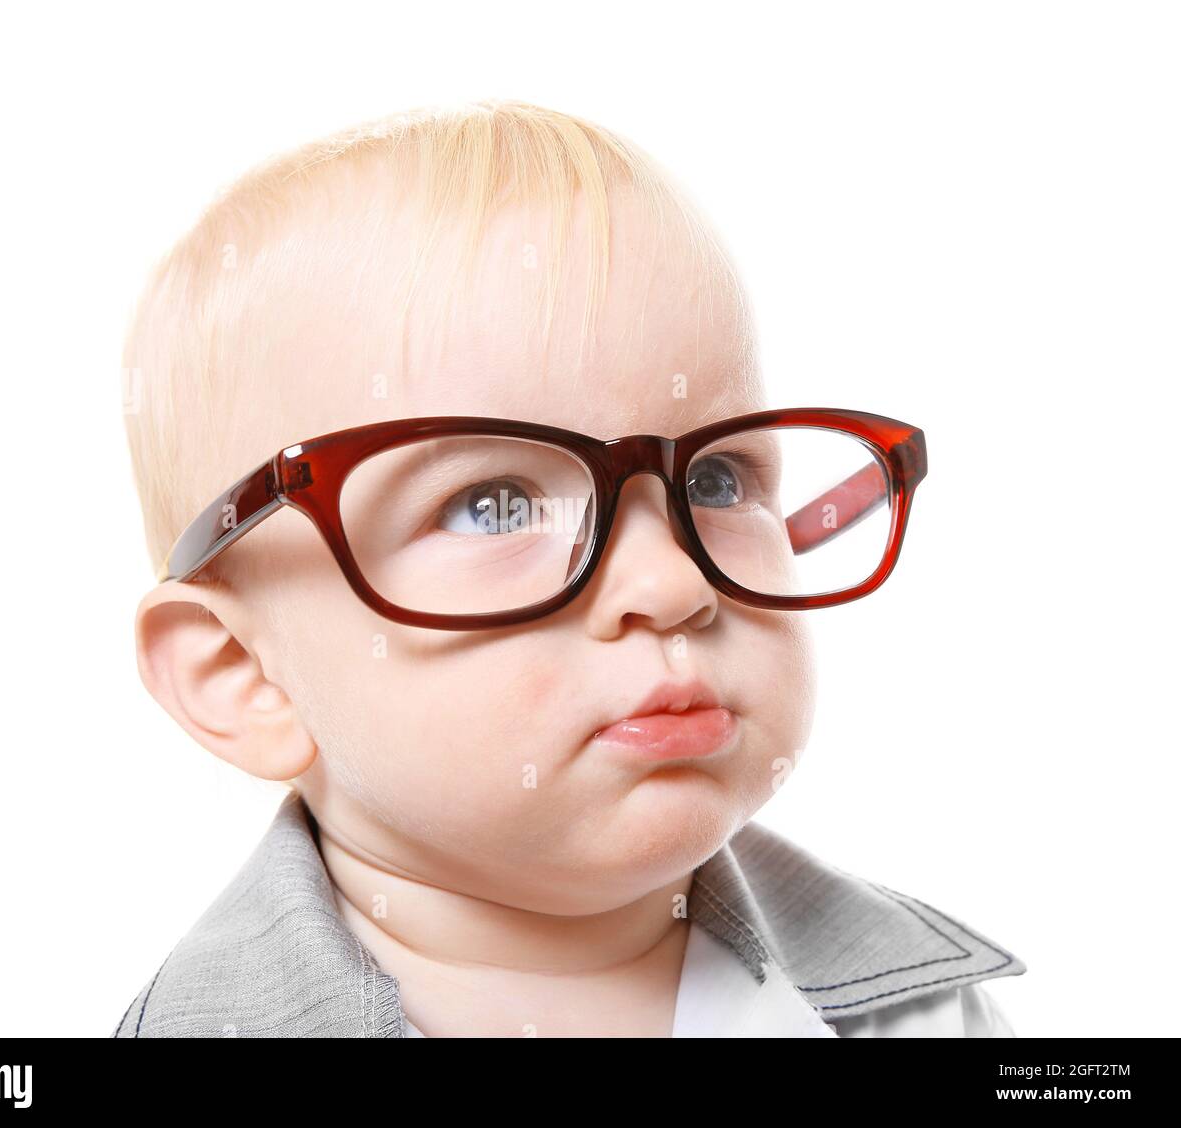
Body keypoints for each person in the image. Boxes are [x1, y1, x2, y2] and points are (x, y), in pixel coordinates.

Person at [114, 99, 1024, 1038]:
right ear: (242, 675)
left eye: (713, 480)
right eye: (496, 504)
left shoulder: (930, 1013)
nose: (674, 584)